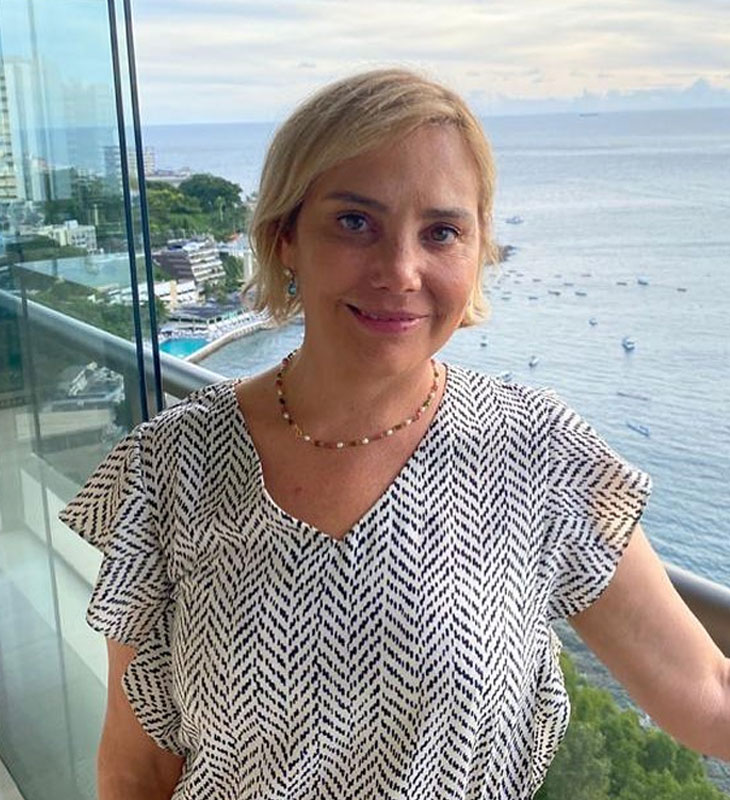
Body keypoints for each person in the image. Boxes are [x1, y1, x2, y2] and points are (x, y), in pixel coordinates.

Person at [59, 68, 729, 800]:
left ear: (477, 250)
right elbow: (137, 768)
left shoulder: (538, 451)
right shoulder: (169, 466)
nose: (401, 271)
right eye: (355, 222)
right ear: (285, 238)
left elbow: (707, 694)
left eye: (442, 232)